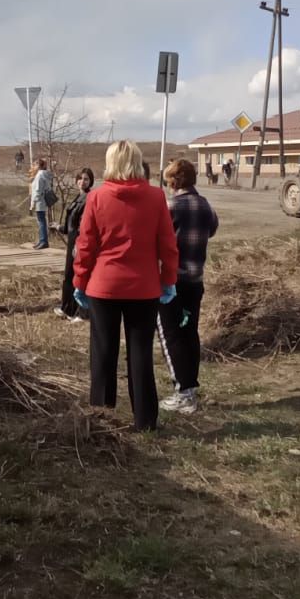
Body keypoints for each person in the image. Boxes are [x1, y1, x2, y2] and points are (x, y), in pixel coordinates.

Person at [72, 140, 179, 432]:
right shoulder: (156, 197)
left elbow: (85, 246)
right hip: (144, 288)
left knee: (103, 351)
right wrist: (169, 280)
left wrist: (79, 280)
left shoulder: (96, 197)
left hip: (103, 286)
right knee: (140, 352)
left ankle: (101, 414)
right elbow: (168, 245)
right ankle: (145, 420)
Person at [158, 159, 219, 415]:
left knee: (171, 335)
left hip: (173, 281)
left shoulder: (171, 206)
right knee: (190, 332)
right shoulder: (205, 205)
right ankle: (191, 387)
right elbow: (212, 229)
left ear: (173, 181)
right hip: (196, 280)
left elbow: (158, 238)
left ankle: (183, 392)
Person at [55, 167, 95, 323]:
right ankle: (68, 308)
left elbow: (85, 224)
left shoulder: (90, 198)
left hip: (80, 241)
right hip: (72, 240)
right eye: (80, 178)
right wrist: (60, 228)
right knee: (69, 275)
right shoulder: (78, 196)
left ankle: (82, 312)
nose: (82, 181)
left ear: (91, 181)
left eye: (86, 179)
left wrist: (80, 242)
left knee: (79, 275)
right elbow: (71, 221)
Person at [29, 158, 53, 249]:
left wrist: (33, 203)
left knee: (41, 221)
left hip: (39, 201)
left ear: (39, 166)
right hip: (41, 201)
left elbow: (38, 190)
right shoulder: (44, 174)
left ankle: (43, 241)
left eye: (35, 165)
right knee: (41, 220)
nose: (33, 167)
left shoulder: (39, 175)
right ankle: (42, 240)